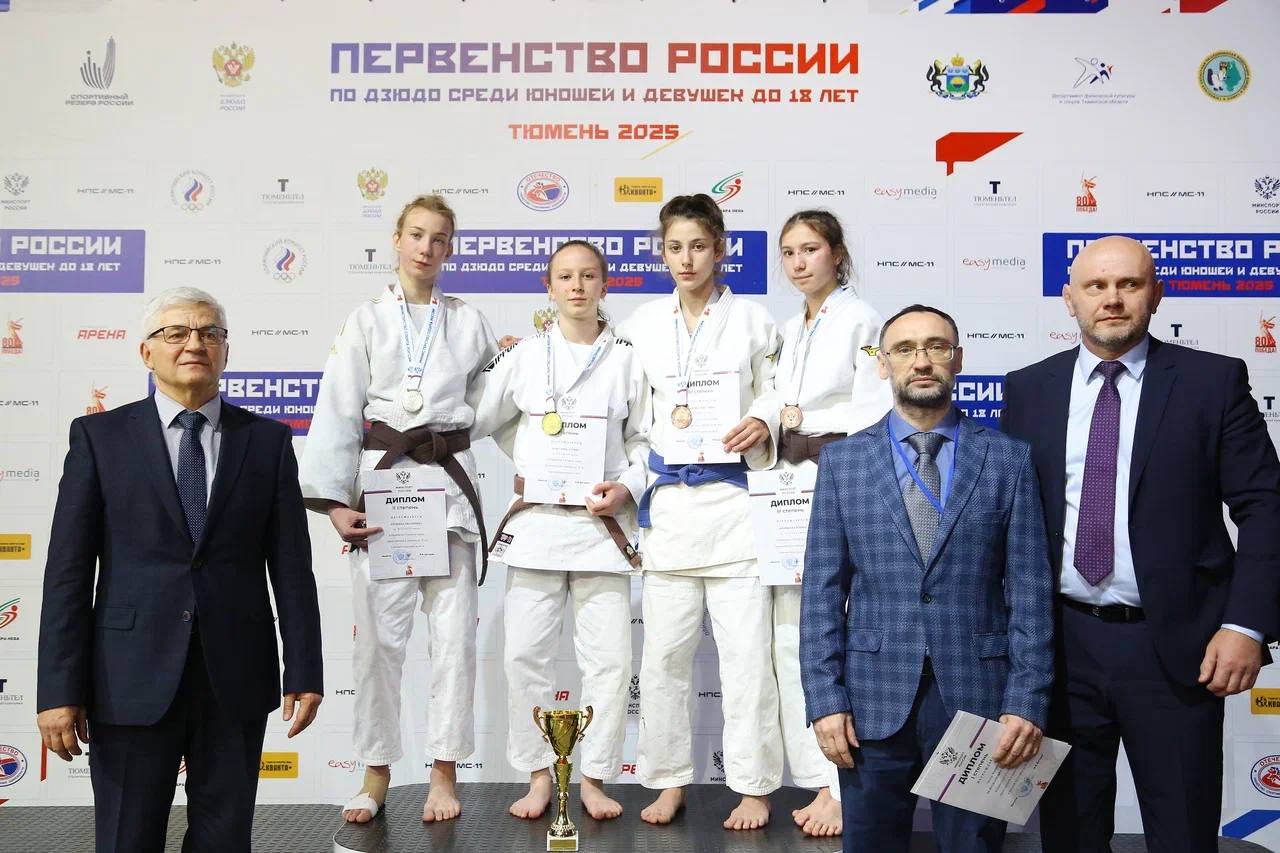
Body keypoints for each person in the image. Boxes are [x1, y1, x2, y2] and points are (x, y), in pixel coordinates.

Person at [1001, 235, 1280, 853]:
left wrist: (1246, 625)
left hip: (1178, 648)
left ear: (1157, 295)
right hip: (1059, 649)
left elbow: (1266, 508)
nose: (1112, 299)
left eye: (1129, 284)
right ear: (1069, 298)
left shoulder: (1212, 382)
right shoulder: (1028, 389)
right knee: (1069, 835)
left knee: (1182, 833)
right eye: (1096, 286)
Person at [36, 287, 324, 853]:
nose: (194, 344)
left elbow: (293, 568)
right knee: (126, 839)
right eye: (176, 333)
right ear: (147, 352)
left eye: (209, 333)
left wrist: (305, 669)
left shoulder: (267, 442)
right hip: (127, 678)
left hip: (235, 676)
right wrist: (57, 691)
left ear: (225, 351)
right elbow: (67, 573)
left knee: (225, 841)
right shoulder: (99, 438)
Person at [800, 304, 1054, 853]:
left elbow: (1030, 593)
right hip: (869, 699)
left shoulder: (1008, 459)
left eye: (936, 347)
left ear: (957, 359)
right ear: (882, 364)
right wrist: (824, 699)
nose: (921, 361)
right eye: (905, 349)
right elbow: (821, 593)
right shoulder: (843, 462)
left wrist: (1026, 701)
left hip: (980, 696)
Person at [299, 194, 497, 824]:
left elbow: (494, 401)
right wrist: (335, 503)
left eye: (439, 239)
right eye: (416, 235)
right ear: (397, 239)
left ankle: (443, 772)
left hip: (447, 490)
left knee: (453, 640)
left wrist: (517, 361)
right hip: (385, 492)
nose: (426, 248)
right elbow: (337, 405)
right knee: (378, 645)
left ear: (450, 249)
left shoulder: (468, 321)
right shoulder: (366, 320)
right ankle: (376, 771)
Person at [617, 193, 784, 830]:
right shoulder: (641, 324)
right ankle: (667, 780)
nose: (686, 259)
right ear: (661, 253)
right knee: (662, 660)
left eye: (697, 246)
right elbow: (629, 416)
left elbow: (778, 390)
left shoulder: (754, 321)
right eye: (674, 247)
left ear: (721, 249)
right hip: (671, 511)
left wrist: (763, 419)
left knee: (747, 660)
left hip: (735, 508)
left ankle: (754, 786)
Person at [470, 239, 650, 822]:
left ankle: (593, 776)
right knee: (524, 656)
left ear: (605, 284)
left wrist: (628, 485)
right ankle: (537, 774)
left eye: (588, 276)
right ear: (548, 288)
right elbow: (480, 417)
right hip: (539, 525)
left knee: (610, 662)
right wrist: (532, 461)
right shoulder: (523, 356)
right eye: (565, 277)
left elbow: (644, 439)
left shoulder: (627, 358)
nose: (577, 286)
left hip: (602, 527)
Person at [771, 210, 891, 838]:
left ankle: (844, 787)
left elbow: (874, 412)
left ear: (837, 254)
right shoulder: (791, 326)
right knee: (801, 632)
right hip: (787, 485)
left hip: (839, 478)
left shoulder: (862, 319)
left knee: (844, 627)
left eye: (810, 249)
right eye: (789, 251)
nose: (799, 262)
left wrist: (851, 480)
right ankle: (822, 777)